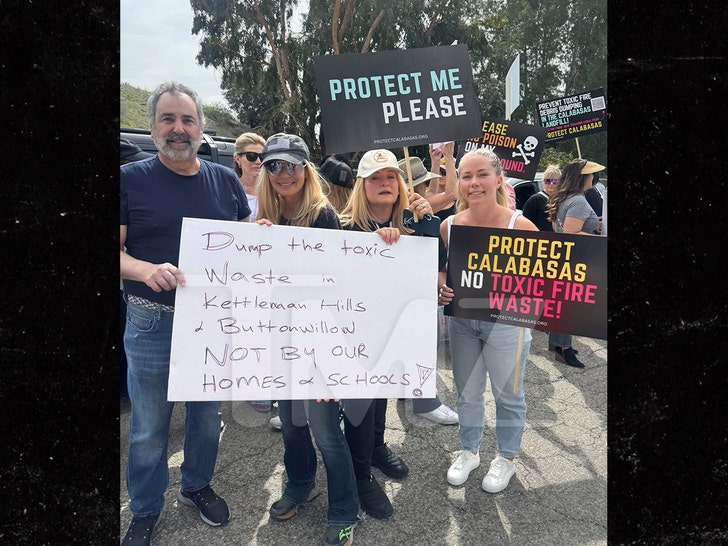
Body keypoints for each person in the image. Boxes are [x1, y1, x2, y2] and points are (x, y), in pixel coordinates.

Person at [120, 82, 250, 546]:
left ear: (200, 127)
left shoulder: (226, 181)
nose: (178, 129)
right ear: (154, 126)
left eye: (187, 120)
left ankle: (196, 486)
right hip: (151, 319)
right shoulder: (129, 178)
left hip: (211, 322)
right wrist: (144, 268)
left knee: (205, 417)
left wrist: (262, 235)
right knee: (149, 427)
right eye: (168, 120)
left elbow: (244, 244)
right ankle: (145, 508)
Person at [255, 132, 359, 546]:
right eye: (274, 165)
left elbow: (333, 290)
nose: (284, 173)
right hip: (280, 342)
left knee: (326, 432)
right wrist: (255, 244)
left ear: (306, 170)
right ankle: (299, 485)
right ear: (265, 172)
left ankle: (344, 509)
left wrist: (327, 362)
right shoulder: (263, 216)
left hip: (316, 344)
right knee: (293, 427)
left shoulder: (323, 217)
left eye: (292, 164)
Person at [336, 149, 443, 518]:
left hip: (394, 331)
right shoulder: (344, 226)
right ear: (362, 186)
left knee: (381, 396)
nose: (384, 183)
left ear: (400, 185)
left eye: (390, 178)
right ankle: (360, 473)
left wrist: (427, 219)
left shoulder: (415, 224)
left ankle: (376, 448)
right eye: (375, 178)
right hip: (355, 334)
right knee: (361, 405)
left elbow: (432, 268)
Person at [438, 147, 538, 493]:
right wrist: (442, 287)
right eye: (466, 176)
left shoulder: (520, 225)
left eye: (482, 174)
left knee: (508, 394)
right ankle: (469, 450)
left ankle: (506, 458)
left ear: (499, 179)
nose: (474, 183)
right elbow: (444, 273)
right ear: (459, 182)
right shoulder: (448, 226)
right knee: (466, 393)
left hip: (507, 323)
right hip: (463, 322)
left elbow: (543, 283)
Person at [544, 158, 605, 368]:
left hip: (562, 257)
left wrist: (591, 223)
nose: (593, 178)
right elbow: (571, 233)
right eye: (591, 174)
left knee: (559, 303)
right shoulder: (578, 200)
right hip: (574, 258)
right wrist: (599, 238)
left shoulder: (565, 197)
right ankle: (564, 349)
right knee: (567, 307)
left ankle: (556, 343)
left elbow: (557, 228)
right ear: (583, 177)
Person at [232, 131, 266, 221]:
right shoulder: (228, 190)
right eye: (251, 156)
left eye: (262, 157)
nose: (258, 161)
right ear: (238, 159)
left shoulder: (274, 190)